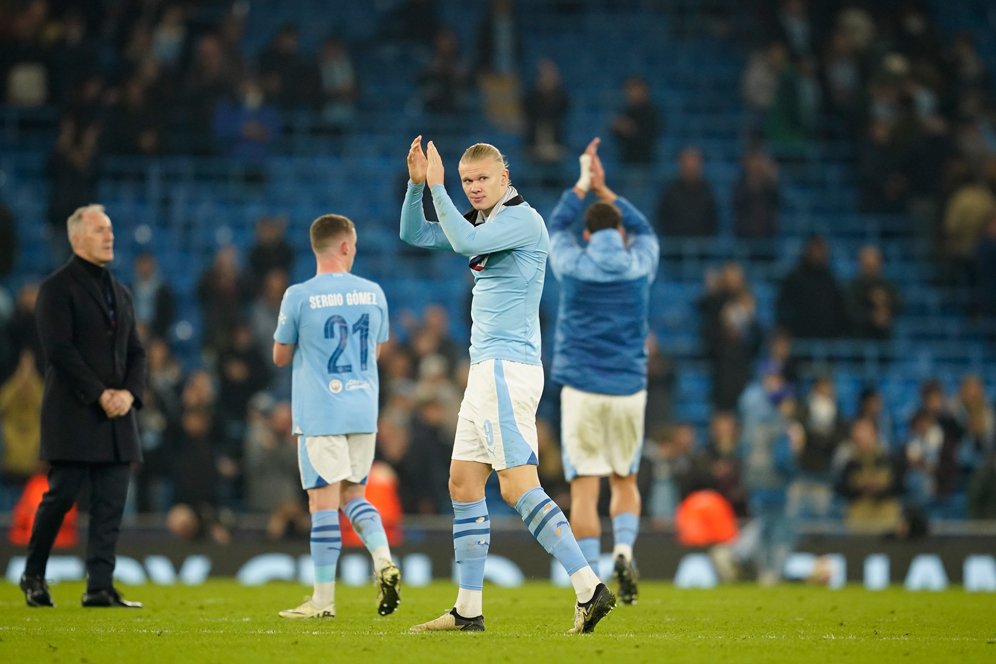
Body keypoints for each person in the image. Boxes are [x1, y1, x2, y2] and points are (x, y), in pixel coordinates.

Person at [401, 136, 614, 634]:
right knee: (463, 481)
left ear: (505, 178)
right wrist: (417, 189)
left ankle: (589, 588)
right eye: (467, 180)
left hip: (506, 367)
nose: (474, 188)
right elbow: (417, 235)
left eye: (482, 180)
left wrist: (439, 187)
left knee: (518, 485)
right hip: (486, 369)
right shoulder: (482, 219)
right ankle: (468, 610)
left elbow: (463, 244)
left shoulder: (521, 218)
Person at [546, 137, 660, 605]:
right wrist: (606, 190)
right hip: (629, 388)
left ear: (588, 235)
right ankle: (625, 550)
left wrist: (581, 185)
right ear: (621, 232)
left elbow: (556, 226)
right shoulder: (639, 264)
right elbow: (647, 229)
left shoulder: (573, 264)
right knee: (625, 479)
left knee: (585, 488)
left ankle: (591, 581)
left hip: (582, 389)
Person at [273, 213, 401, 620]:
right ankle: (382, 559)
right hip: (363, 410)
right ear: (345, 246)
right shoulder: (374, 292)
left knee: (322, 502)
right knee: (354, 496)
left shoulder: (299, 295)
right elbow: (377, 352)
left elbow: (279, 357)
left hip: (320, 411)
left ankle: (323, 600)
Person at [20, 204, 147, 609]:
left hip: (116, 417)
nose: (109, 236)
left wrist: (128, 394)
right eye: (98, 230)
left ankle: (99, 586)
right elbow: (59, 351)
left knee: (111, 506)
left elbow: (137, 353)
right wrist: (100, 394)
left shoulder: (121, 292)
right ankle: (33, 576)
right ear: (76, 239)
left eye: (110, 229)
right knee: (60, 499)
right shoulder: (57, 288)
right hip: (74, 413)